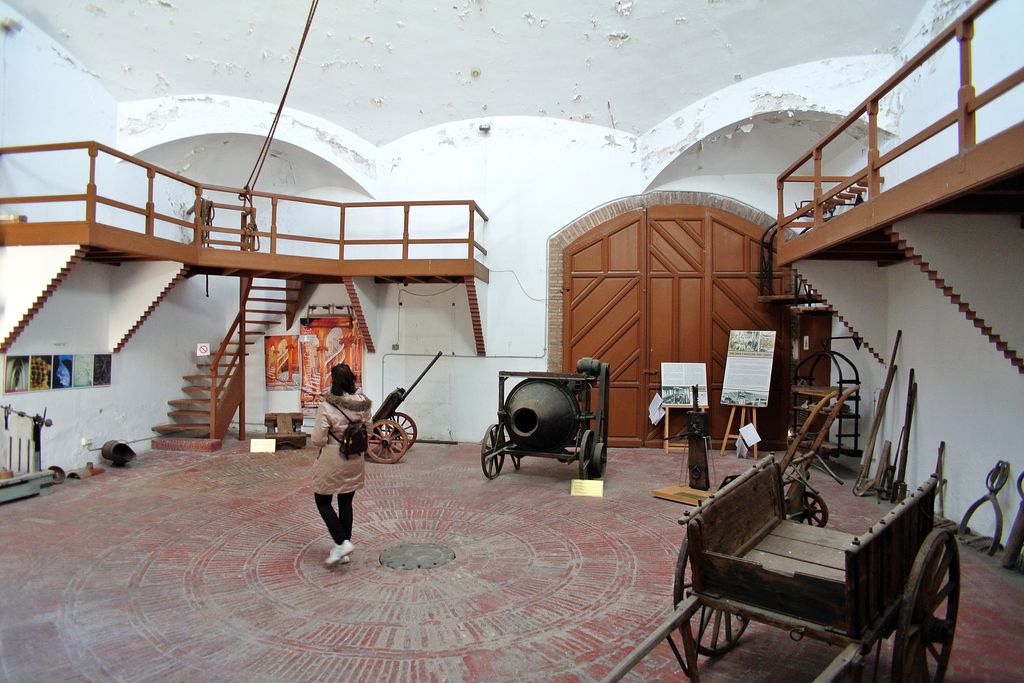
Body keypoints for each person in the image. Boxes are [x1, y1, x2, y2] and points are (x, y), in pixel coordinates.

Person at [311, 363, 372, 565]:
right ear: (352, 379)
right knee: (345, 502)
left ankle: (341, 542)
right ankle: (343, 549)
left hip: (332, 461)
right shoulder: (363, 402)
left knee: (322, 500)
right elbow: (369, 431)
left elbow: (318, 440)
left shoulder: (328, 405)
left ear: (333, 381)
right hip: (355, 460)